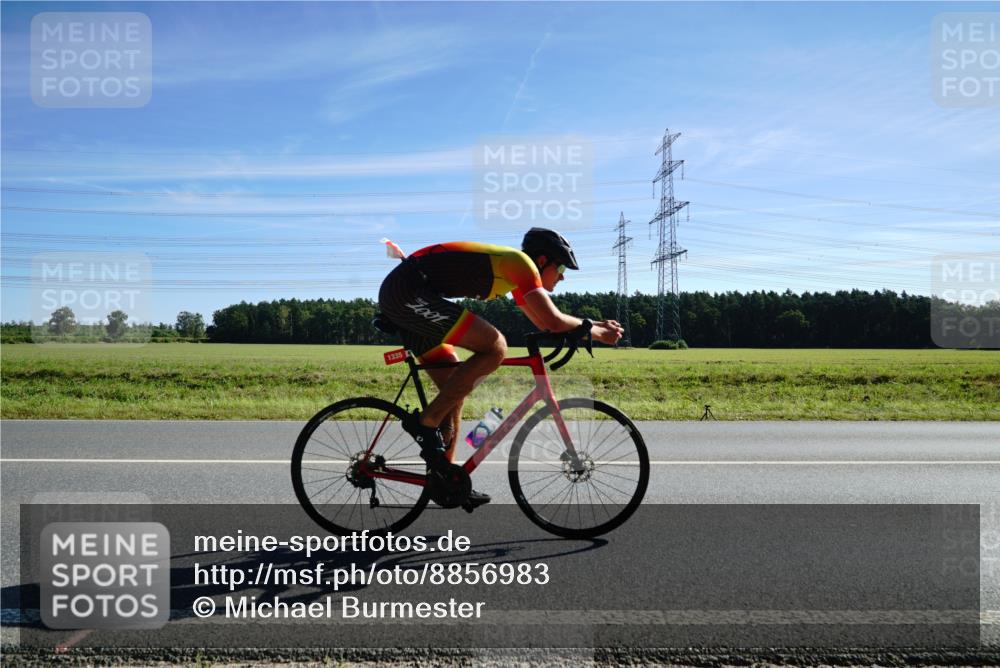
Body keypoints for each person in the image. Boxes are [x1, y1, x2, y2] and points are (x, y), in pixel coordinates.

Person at [377, 228, 624, 506]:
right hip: (407, 294)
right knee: (495, 346)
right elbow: (553, 320)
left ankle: (446, 479)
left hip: (408, 294)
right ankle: (426, 422)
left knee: (453, 392)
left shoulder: (517, 277)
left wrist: (594, 325)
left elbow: (543, 322)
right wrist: (597, 333)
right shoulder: (521, 264)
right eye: (562, 268)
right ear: (543, 260)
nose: (563, 276)